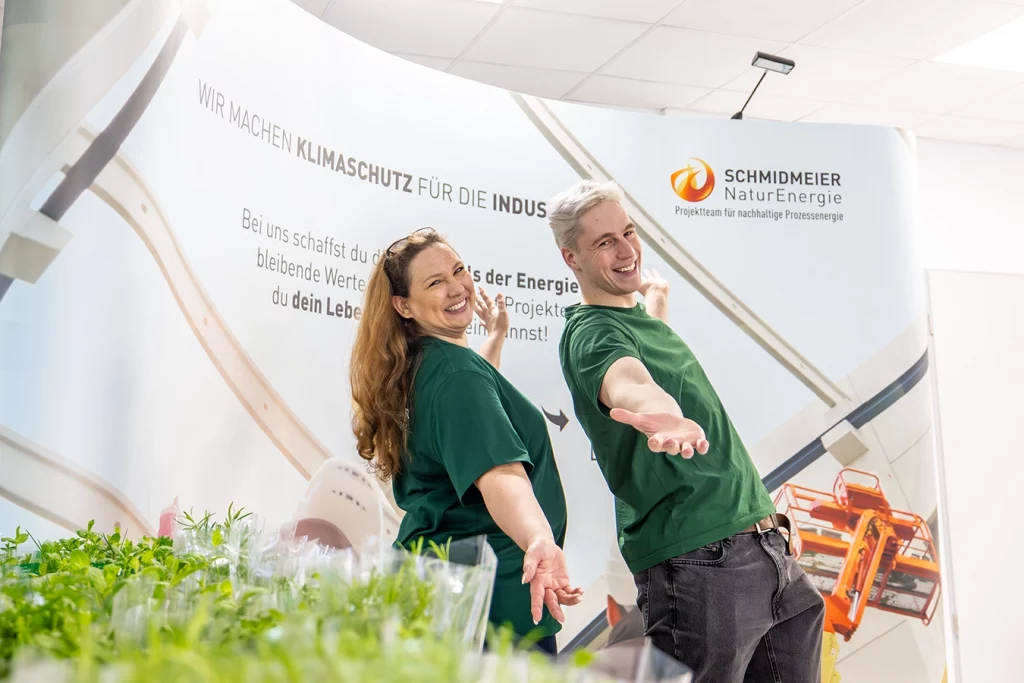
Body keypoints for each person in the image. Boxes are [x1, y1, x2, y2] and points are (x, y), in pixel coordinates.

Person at [548, 180, 825, 682]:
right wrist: (661, 410)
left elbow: (645, 348)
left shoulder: (636, 321)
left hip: (764, 549)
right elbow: (630, 382)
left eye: (628, 231)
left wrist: (656, 302)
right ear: (572, 258)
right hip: (702, 560)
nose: (627, 249)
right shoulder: (590, 334)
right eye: (604, 242)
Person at [349, 226, 582, 655]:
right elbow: (500, 475)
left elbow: (469, 424)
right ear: (403, 305)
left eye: (458, 270)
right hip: (494, 606)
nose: (457, 287)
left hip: (443, 593)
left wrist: (493, 339)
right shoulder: (458, 375)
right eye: (435, 282)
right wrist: (537, 539)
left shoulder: (424, 366)